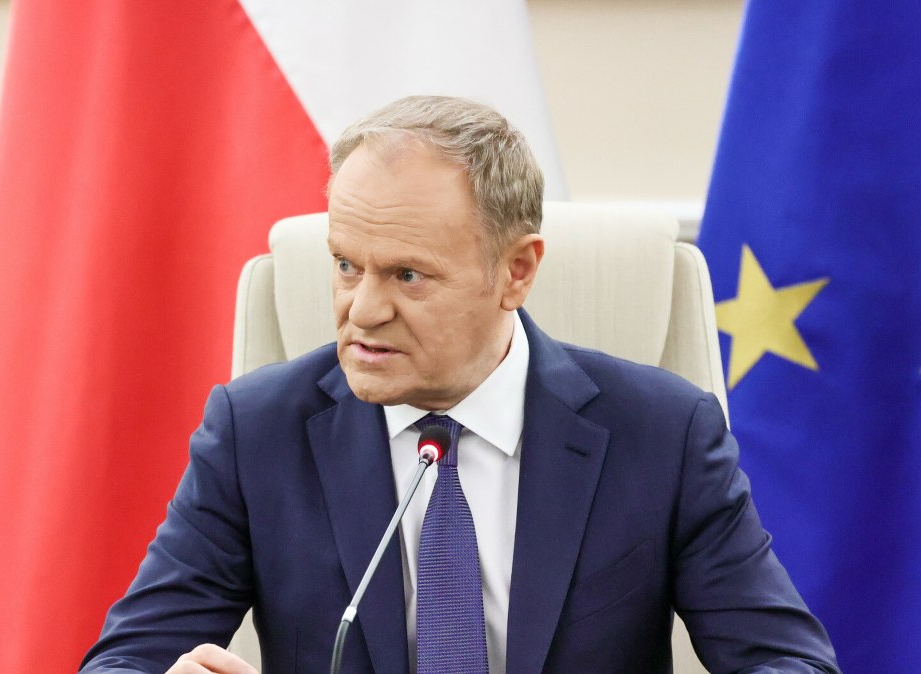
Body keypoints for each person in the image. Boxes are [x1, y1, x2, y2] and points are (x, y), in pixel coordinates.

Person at [80, 96, 839, 674]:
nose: (362, 310)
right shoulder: (257, 432)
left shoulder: (663, 434)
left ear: (516, 272)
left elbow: (789, 661)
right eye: (346, 265)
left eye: (407, 275)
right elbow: (126, 660)